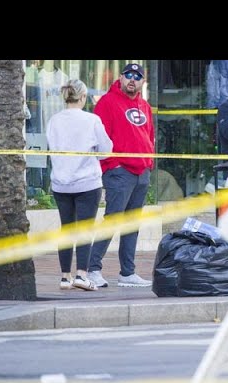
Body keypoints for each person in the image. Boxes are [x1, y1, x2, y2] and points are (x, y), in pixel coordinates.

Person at [87, 63, 154, 288]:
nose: (132, 80)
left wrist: (148, 163)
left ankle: (128, 273)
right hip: (119, 172)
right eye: (128, 76)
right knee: (113, 220)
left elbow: (149, 135)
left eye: (137, 76)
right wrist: (111, 165)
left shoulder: (145, 106)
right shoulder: (107, 102)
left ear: (143, 82)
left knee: (131, 224)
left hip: (141, 172)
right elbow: (97, 137)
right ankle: (92, 269)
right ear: (121, 78)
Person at [45, 79, 113, 291]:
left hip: (61, 183)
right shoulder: (91, 120)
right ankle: (82, 275)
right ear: (83, 97)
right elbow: (106, 150)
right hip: (87, 182)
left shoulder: (54, 120)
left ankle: (65, 277)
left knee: (66, 228)